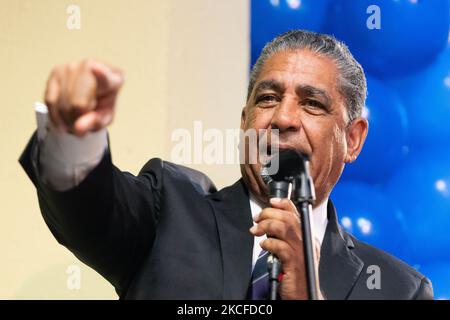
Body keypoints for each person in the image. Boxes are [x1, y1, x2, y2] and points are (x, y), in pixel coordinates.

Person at [19, 30, 433, 299]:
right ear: (244, 121)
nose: (284, 118)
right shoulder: (168, 212)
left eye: (312, 104)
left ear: (354, 138)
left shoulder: (399, 288)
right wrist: (72, 137)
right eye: (267, 99)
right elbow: (87, 211)